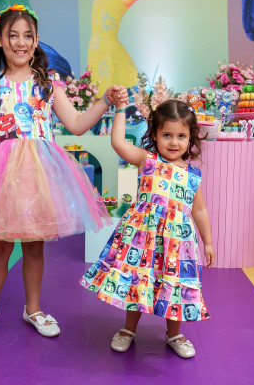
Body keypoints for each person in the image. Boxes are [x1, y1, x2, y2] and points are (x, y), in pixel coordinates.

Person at [0, 3, 128, 340]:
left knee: (34, 247)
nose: (21, 42)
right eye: (13, 35)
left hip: (38, 175)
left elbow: (76, 124)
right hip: (3, 175)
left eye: (27, 36)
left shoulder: (47, 83)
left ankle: (33, 308)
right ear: (0, 39)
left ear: (36, 41)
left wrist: (105, 101)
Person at [80, 96, 216, 359]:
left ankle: (174, 334)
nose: (174, 142)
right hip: (143, 240)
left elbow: (199, 210)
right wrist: (120, 108)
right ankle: (128, 329)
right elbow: (118, 143)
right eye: (167, 135)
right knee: (138, 281)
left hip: (176, 244)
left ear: (190, 137)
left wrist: (208, 242)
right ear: (154, 134)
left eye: (181, 136)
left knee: (174, 284)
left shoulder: (193, 175)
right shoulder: (147, 160)